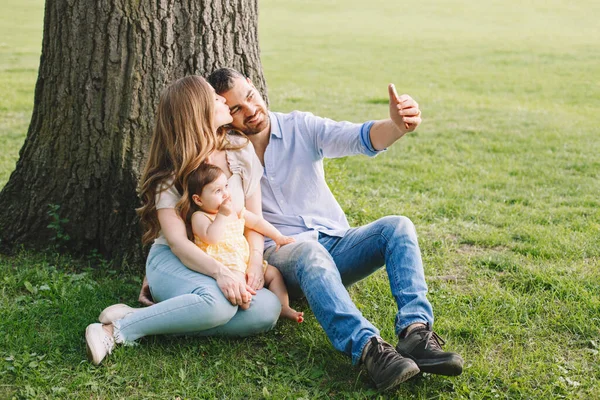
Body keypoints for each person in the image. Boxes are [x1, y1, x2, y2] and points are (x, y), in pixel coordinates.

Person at [204, 68, 465, 391]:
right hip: (283, 259)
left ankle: (416, 334)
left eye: (250, 97)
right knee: (310, 252)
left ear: (255, 87)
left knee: (398, 227)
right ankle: (370, 349)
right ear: (224, 116)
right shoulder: (225, 153)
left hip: (336, 244)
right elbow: (195, 206)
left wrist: (398, 126)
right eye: (236, 109)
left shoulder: (300, 126)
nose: (251, 110)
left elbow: (361, 137)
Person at [84, 75, 283, 366]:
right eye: (214, 99)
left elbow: (253, 220)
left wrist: (253, 263)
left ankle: (142, 317)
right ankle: (114, 331)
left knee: (267, 309)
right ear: (198, 112)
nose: (222, 99)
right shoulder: (170, 174)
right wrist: (220, 273)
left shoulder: (240, 150)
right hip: (174, 262)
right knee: (218, 305)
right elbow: (177, 243)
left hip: (227, 260)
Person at [186, 162, 303, 323]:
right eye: (218, 191)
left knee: (274, 273)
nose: (226, 194)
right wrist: (222, 215)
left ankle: (284, 307)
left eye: (226, 186)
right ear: (198, 200)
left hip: (244, 260)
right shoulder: (200, 217)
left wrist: (277, 236)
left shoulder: (235, 210)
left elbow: (256, 223)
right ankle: (244, 301)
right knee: (241, 289)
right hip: (225, 265)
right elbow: (211, 237)